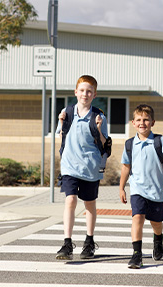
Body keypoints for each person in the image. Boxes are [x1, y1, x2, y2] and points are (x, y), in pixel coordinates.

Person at [55, 75, 108, 260]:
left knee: (89, 204)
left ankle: (89, 241)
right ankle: (67, 242)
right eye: (82, 90)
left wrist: (100, 129)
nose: (85, 94)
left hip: (90, 168)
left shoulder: (99, 116)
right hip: (69, 166)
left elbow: (105, 144)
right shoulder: (67, 112)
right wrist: (61, 122)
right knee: (70, 201)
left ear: (94, 94)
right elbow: (60, 136)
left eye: (89, 91)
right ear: (75, 92)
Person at [119, 104, 163, 269]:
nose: (142, 123)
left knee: (156, 223)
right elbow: (125, 167)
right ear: (133, 123)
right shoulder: (130, 144)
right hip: (137, 189)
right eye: (138, 120)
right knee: (137, 218)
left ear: (152, 122)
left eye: (146, 120)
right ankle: (136, 254)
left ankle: (158, 239)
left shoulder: (159, 141)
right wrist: (122, 187)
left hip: (157, 190)